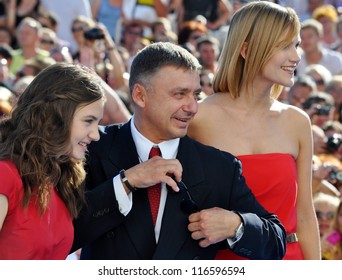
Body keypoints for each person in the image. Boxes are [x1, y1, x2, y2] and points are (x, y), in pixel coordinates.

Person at [71, 41, 286, 260]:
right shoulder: (90, 147)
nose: (192, 107)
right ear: (140, 95)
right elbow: (61, 233)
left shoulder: (219, 166)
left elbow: (276, 242)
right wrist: (127, 182)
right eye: (179, 94)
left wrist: (236, 225)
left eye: (196, 95)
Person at [188, 1, 320, 260]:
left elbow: (305, 213)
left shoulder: (297, 121)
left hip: (290, 260)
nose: (296, 56)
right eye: (284, 46)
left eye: (296, 45)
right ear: (246, 50)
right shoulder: (198, 118)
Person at [0, 63, 105, 259]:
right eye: (88, 121)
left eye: (98, 122)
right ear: (55, 117)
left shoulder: (61, 179)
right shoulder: (5, 175)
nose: (96, 134)